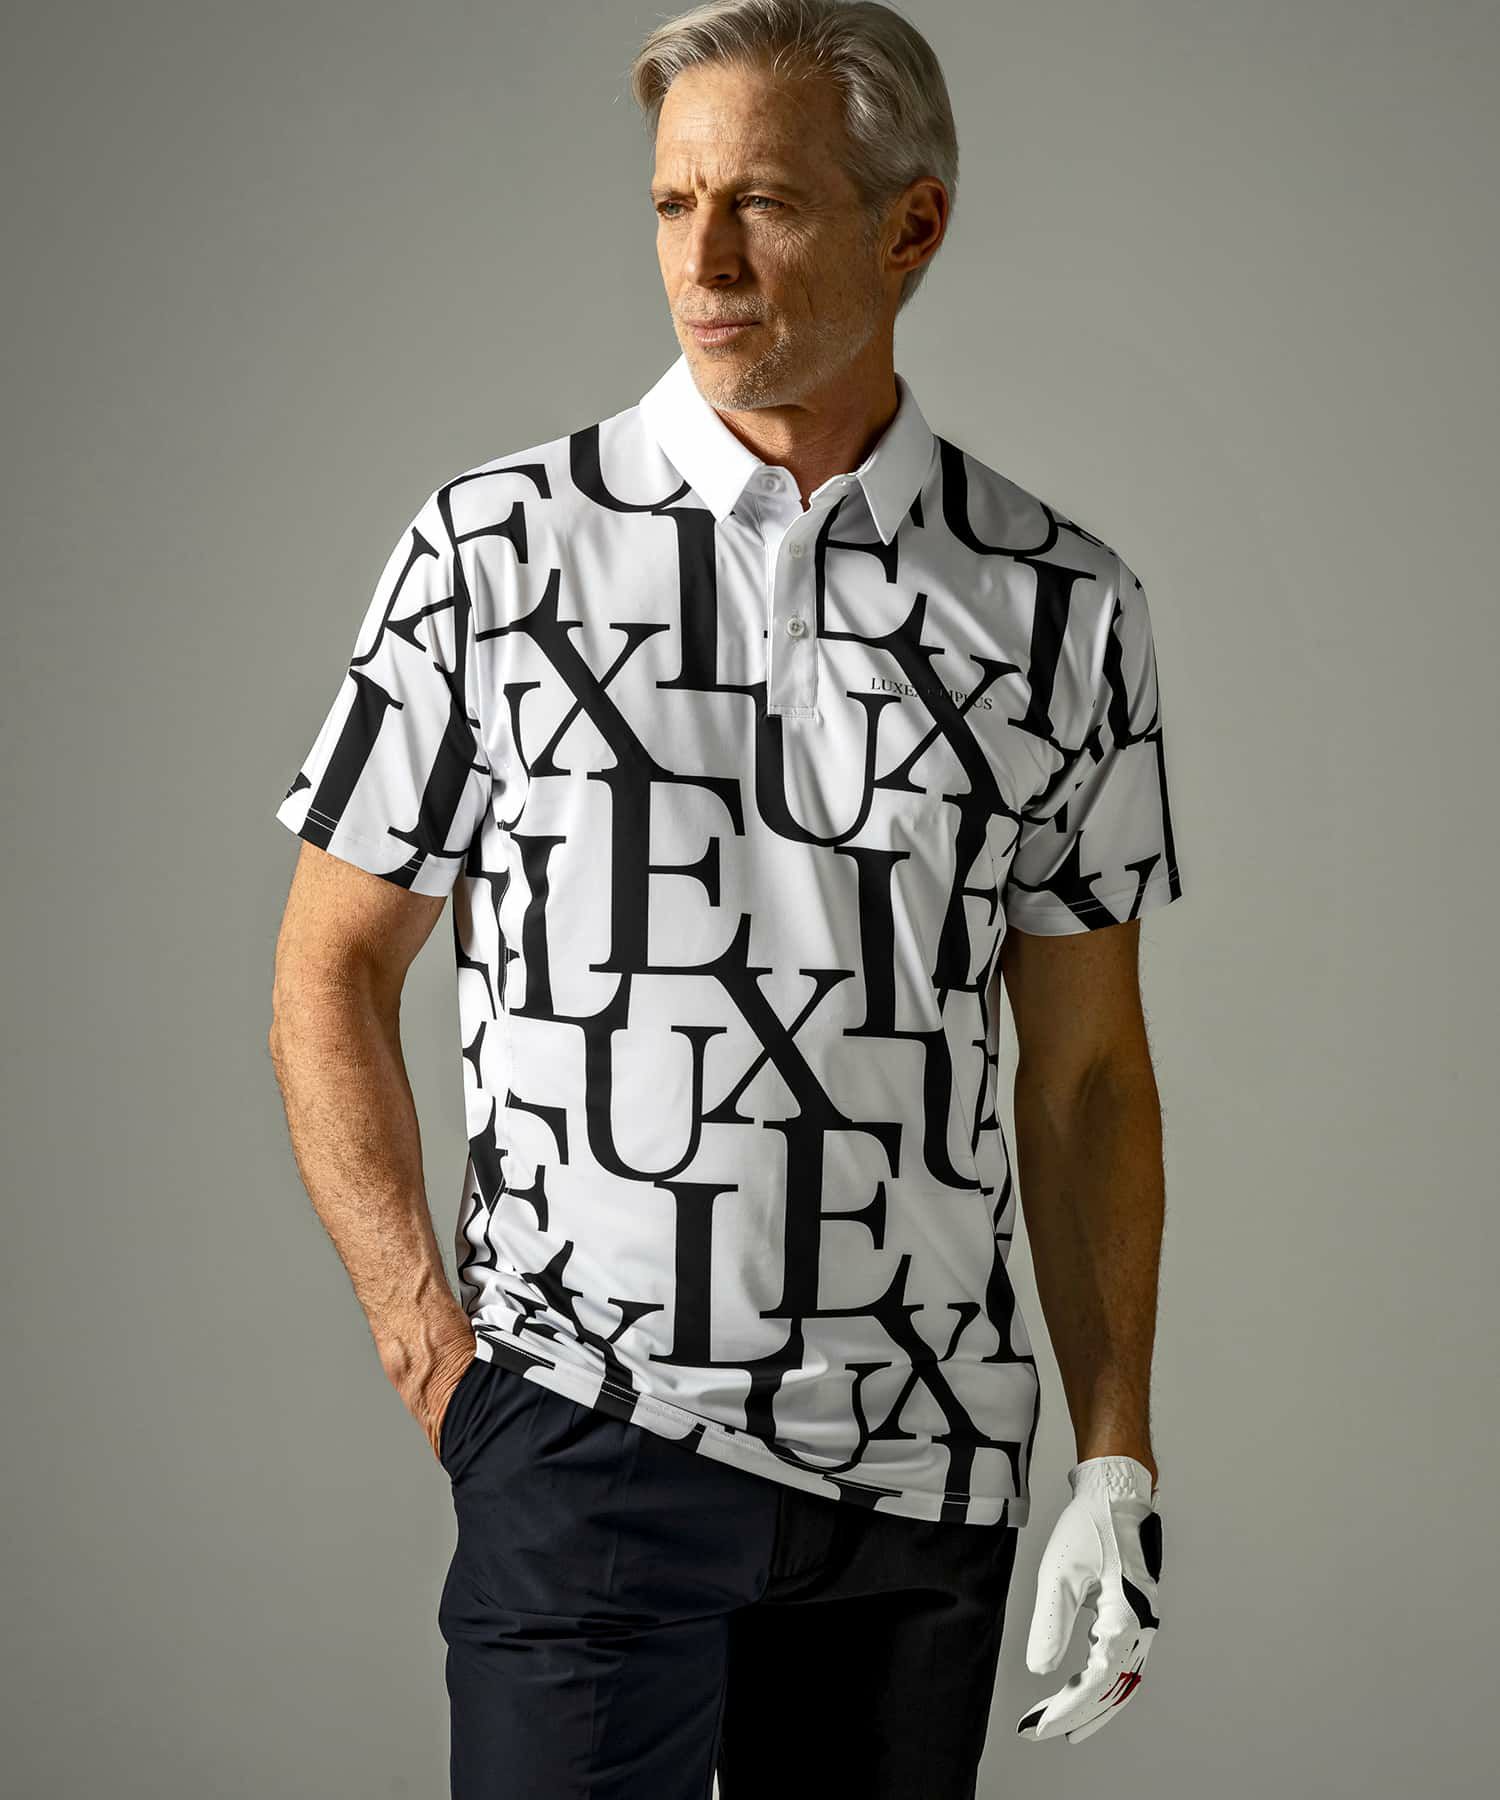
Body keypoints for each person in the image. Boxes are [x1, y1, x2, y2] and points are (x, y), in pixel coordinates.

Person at [268, 2, 1181, 1792]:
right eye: (673, 204)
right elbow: (329, 967)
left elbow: (1084, 1074)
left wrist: (1115, 1457)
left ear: (910, 226)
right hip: (587, 1433)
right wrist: (436, 1349)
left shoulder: (1063, 607)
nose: (703, 261)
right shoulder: (495, 552)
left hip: (924, 1473)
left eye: (762, 201)